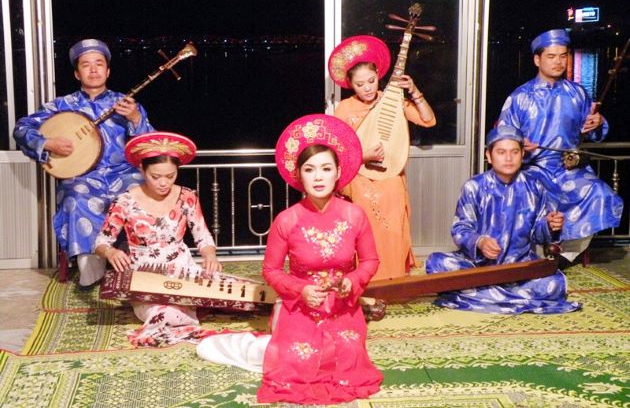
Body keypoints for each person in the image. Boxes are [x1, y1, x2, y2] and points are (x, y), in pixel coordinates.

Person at [197, 114, 383, 405]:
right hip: (300, 307)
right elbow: (270, 270)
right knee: (298, 359)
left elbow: (371, 261)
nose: (318, 177)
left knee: (347, 355)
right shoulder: (287, 220)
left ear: (338, 173)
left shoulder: (355, 215)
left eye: (325, 168)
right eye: (310, 170)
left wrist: (352, 281)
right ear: (299, 176)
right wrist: (301, 290)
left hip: (342, 306)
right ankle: (246, 345)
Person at [13, 39, 155, 288]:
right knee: (75, 194)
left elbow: (150, 144)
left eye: (99, 64)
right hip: (84, 176)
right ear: (77, 73)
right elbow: (21, 128)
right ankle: (91, 267)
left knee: (141, 192)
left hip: (124, 174)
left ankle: (142, 261)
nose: (93, 69)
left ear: (108, 71)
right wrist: (47, 143)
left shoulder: (126, 103)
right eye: (86, 65)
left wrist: (135, 119)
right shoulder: (61, 106)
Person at [425, 125, 581, 314]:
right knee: (437, 263)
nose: (508, 158)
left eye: (514, 152)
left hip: (520, 268)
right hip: (479, 267)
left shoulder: (534, 187)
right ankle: (507, 294)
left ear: (522, 155)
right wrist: (480, 241)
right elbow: (460, 229)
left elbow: (539, 234)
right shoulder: (474, 186)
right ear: (489, 156)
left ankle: (482, 293)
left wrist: (549, 225)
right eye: (501, 152)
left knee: (554, 283)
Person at [497, 29, 623, 262]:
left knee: (599, 193)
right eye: (551, 56)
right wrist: (519, 146)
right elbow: (501, 136)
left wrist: (598, 123)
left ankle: (566, 254)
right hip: (533, 168)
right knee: (530, 193)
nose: (558, 62)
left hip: (569, 169)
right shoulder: (520, 97)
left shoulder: (577, 93)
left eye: (563, 56)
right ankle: (532, 252)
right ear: (537, 59)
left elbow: (593, 133)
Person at [93, 132, 222, 347]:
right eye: (156, 176)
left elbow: (203, 236)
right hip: (144, 273)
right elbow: (101, 242)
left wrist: (210, 256)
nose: (164, 183)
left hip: (181, 268)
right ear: (142, 169)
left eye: (170, 176)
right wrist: (111, 252)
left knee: (221, 293)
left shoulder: (187, 196)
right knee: (164, 311)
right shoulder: (125, 201)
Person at [328, 35, 437, 281]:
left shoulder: (393, 101)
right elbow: (336, 150)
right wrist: (362, 155)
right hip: (360, 179)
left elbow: (429, 120)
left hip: (390, 177)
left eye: (371, 80)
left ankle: (394, 281)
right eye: (360, 84)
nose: (367, 88)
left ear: (378, 76)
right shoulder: (344, 109)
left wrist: (414, 91)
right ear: (350, 85)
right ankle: (367, 282)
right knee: (366, 232)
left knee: (394, 230)